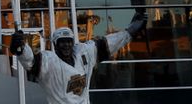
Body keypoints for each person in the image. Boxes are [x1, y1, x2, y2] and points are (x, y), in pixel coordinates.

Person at [10, 11, 146, 104]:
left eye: (68, 41)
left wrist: (129, 32)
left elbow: (109, 43)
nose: (66, 45)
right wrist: (21, 47)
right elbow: (30, 61)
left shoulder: (84, 54)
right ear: (55, 45)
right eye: (62, 42)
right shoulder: (48, 62)